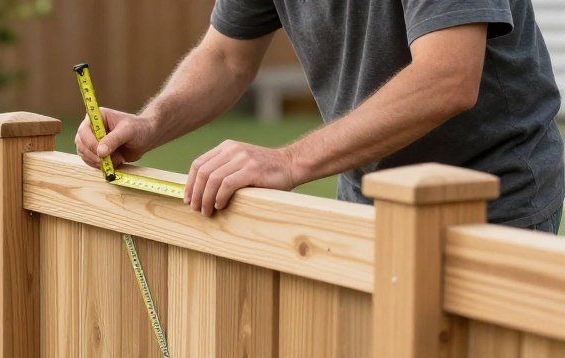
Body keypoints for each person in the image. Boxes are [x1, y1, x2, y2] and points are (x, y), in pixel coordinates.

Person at [75, 0, 564, 232]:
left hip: (491, 193)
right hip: (368, 190)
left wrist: (290, 161)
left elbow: (448, 78)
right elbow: (225, 56)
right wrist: (151, 123)